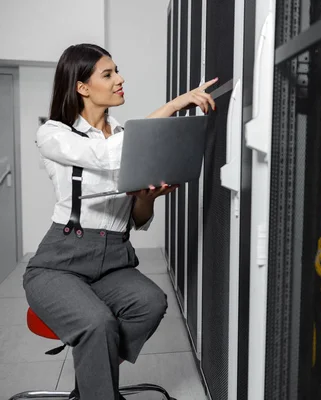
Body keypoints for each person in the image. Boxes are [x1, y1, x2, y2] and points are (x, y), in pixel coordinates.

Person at [22, 43, 217, 400]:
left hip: (114, 260)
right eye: (108, 74)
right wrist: (175, 105)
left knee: (150, 303)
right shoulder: (54, 134)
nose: (120, 79)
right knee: (98, 323)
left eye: (117, 71)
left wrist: (146, 199)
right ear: (82, 87)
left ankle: (92, 386)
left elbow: (139, 219)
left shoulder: (126, 137)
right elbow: (103, 155)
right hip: (60, 263)